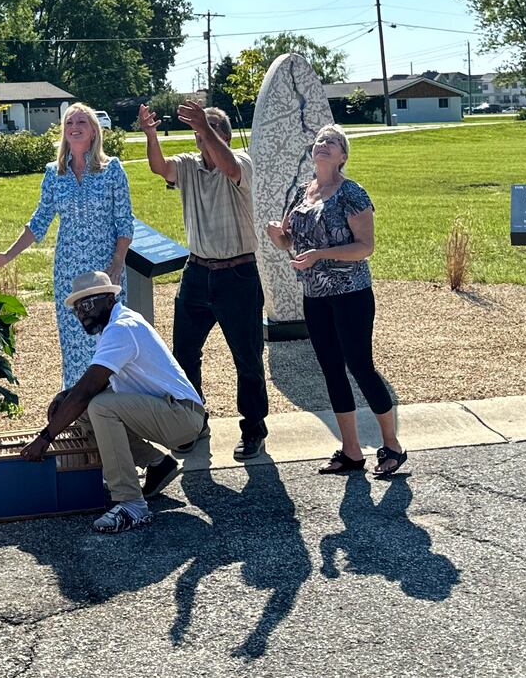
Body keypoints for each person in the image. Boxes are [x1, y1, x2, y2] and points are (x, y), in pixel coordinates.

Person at [264, 124, 407, 478]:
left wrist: (319, 255)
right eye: (319, 142)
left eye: (332, 142)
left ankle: (392, 446)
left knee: (360, 366)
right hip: (315, 297)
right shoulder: (301, 192)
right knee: (330, 370)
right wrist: (277, 238)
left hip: (351, 294)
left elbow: (365, 247)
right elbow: (289, 242)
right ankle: (352, 451)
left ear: (343, 156)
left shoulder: (351, 193)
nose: (323, 145)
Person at [20, 271, 206, 535]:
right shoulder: (114, 325)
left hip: (182, 417)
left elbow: (87, 390)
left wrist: (46, 437)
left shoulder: (121, 328)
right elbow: (95, 384)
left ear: (109, 299)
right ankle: (156, 464)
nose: (81, 313)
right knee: (85, 412)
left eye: (86, 304)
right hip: (169, 411)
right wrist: (65, 397)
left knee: (99, 407)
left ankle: (130, 503)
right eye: (76, 308)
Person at [141, 100, 268, 461]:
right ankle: (193, 423)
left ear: (223, 136)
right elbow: (159, 167)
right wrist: (151, 134)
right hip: (196, 272)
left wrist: (206, 126)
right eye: (197, 134)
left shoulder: (241, 162)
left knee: (247, 357)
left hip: (238, 273)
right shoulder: (189, 165)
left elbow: (228, 166)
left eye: (207, 133)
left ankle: (254, 429)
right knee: (183, 354)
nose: (200, 142)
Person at [0, 105, 133, 387]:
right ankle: (78, 414)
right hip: (69, 272)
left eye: (82, 121)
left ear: (94, 129)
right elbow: (39, 222)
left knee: (109, 341)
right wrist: (7, 256)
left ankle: (115, 413)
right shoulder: (54, 174)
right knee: (74, 343)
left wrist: (118, 262)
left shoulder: (112, 170)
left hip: (107, 272)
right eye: (70, 121)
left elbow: (124, 222)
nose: (75, 125)